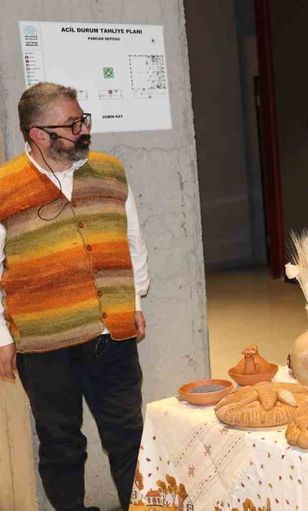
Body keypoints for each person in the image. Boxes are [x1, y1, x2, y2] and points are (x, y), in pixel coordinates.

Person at [0, 82, 149, 511]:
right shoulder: (5, 187)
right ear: (38, 134)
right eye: (72, 124)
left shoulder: (110, 171)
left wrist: (133, 303)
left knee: (128, 436)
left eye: (83, 119)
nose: (84, 129)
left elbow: (132, 240)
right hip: (44, 343)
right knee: (61, 444)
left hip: (112, 335)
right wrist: (2, 337)